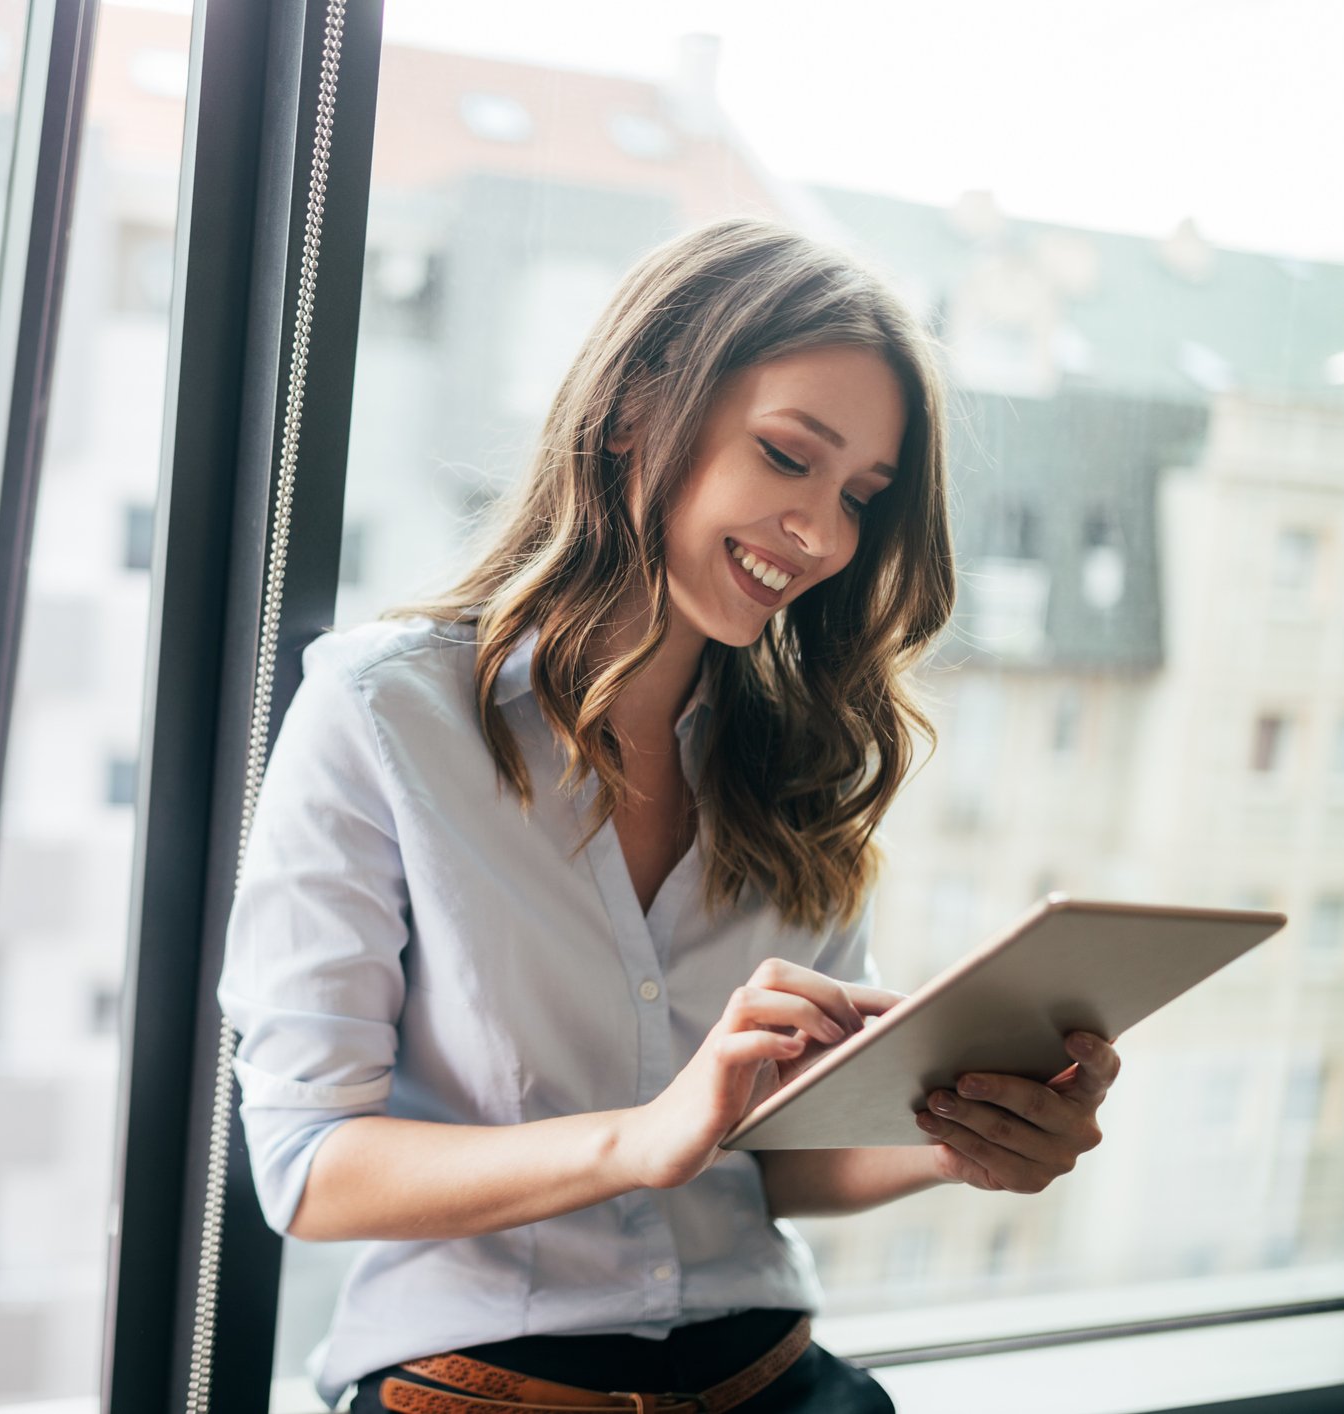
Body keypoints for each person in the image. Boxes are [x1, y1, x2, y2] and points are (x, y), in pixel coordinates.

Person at [217, 216, 1122, 1413]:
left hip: (778, 1378)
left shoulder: (800, 758)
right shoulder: (383, 714)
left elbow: (777, 1160)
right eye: (789, 457)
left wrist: (965, 1142)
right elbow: (308, 1166)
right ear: (639, 408)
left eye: (861, 495)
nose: (825, 534)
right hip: (482, 1382)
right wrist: (642, 1134)